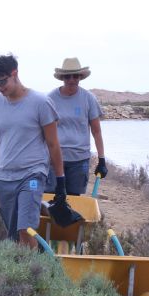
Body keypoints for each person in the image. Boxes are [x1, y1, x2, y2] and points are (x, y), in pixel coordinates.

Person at [0, 54, 72, 247]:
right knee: (13, 236)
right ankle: (33, 261)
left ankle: (33, 266)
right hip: (4, 177)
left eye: (2, 82)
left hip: (32, 175)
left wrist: (61, 181)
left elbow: (53, 144)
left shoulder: (41, 103)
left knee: (25, 230)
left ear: (15, 74)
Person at [46, 57, 108, 195]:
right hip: (54, 159)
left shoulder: (89, 98)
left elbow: (96, 131)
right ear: (62, 78)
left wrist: (102, 159)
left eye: (75, 76)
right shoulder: (50, 99)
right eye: (67, 76)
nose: (72, 80)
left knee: (74, 199)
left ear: (80, 77)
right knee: (51, 198)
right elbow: (43, 131)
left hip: (79, 160)